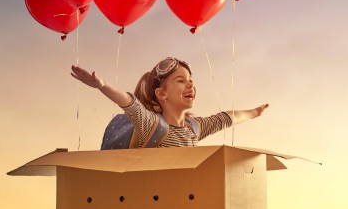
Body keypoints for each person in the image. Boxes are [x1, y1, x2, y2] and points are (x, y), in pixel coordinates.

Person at [70, 57, 269, 148]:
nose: (190, 85)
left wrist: (254, 112)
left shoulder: (194, 128)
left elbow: (227, 118)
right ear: (161, 94)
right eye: (180, 81)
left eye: (191, 80)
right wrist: (101, 85)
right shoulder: (152, 126)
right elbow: (129, 103)